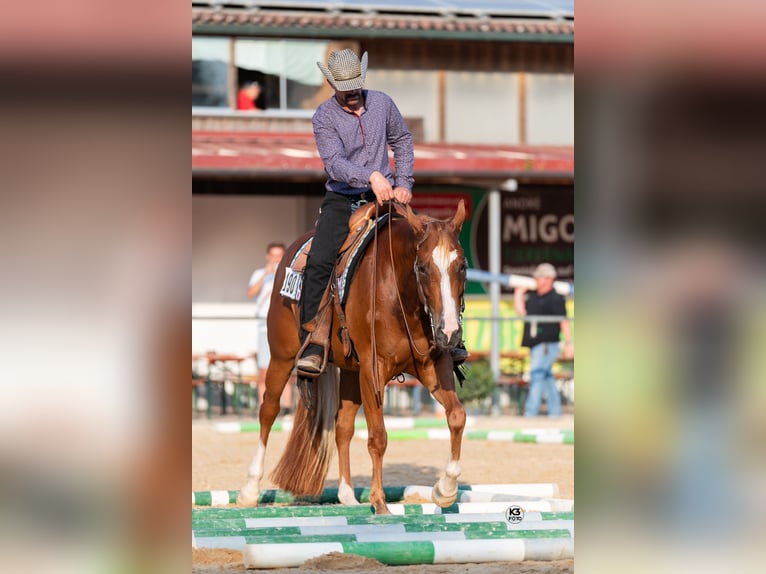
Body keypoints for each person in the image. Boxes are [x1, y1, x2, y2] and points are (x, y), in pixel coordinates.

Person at [296, 48, 467, 375]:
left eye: (357, 88)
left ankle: (449, 334)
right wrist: (370, 176)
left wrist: (403, 182)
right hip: (343, 197)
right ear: (332, 86)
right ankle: (315, 338)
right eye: (346, 90)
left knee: (432, 252)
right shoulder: (324, 116)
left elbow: (402, 140)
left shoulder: (383, 103)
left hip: (390, 197)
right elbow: (334, 163)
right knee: (320, 260)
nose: (354, 95)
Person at [514, 263, 574, 418]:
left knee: (537, 375)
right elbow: (522, 313)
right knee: (546, 378)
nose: (537, 280)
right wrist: (518, 294)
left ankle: (530, 413)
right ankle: (555, 413)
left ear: (549, 279)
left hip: (548, 345)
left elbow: (564, 321)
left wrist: (569, 343)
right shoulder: (534, 297)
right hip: (535, 344)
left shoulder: (556, 298)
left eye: (540, 277)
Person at [248, 241, 293, 415]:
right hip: (263, 326)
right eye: (273, 256)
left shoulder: (289, 273)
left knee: (286, 367)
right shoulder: (260, 273)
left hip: (284, 326)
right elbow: (251, 293)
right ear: (268, 256)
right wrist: (266, 274)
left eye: (279, 255)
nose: (276, 259)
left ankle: (287, 407)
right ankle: (263, 404)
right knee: (265, 369)